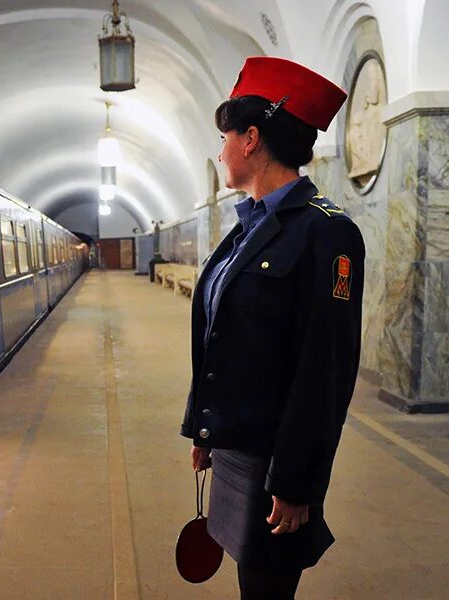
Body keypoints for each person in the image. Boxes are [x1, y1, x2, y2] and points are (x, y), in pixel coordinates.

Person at [179, 56, 364, 600]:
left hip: (276, 461)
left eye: (224, 136)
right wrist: (205, 429)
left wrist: (296, 482)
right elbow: (223, 338)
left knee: (266, 587)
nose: (220, 150)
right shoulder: (246, 228)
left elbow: (324, 372)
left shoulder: (326, 234)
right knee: (248, 580)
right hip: (236, 446)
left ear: (251, 138)